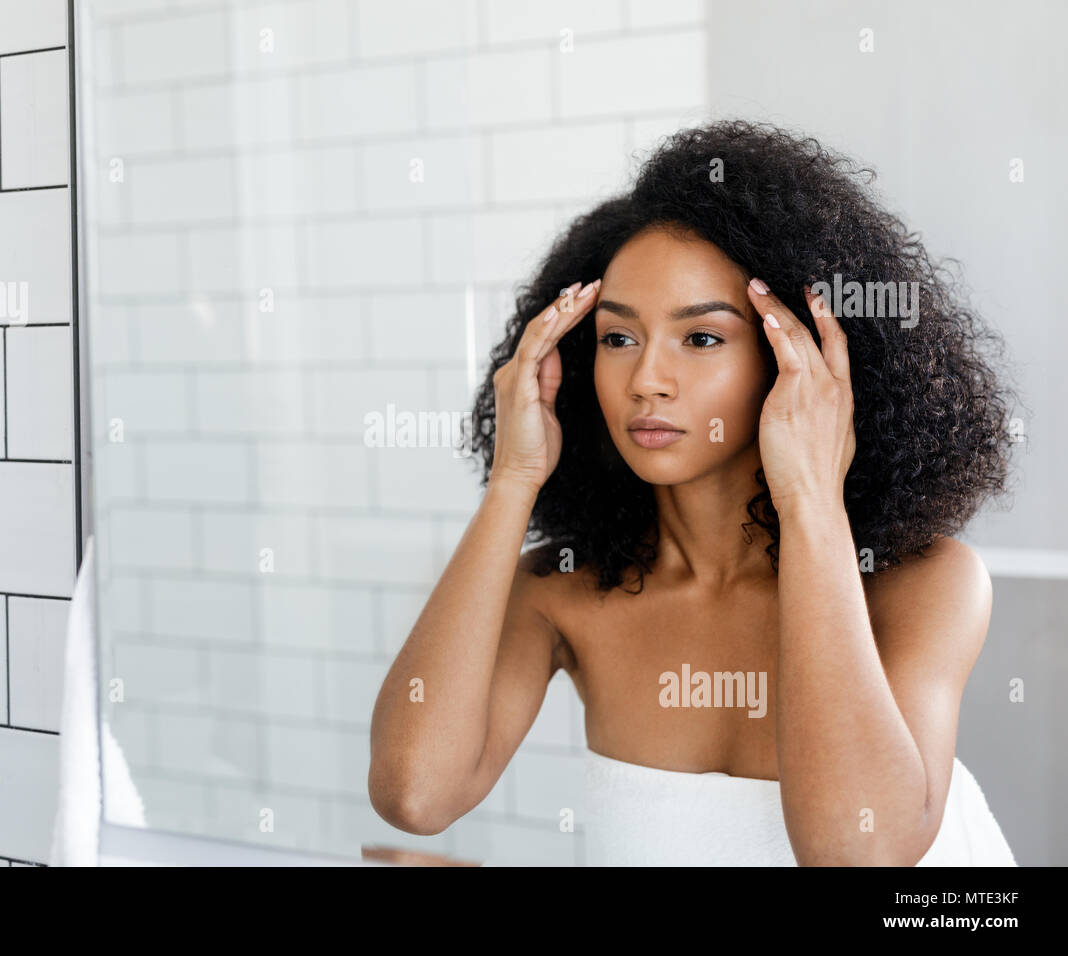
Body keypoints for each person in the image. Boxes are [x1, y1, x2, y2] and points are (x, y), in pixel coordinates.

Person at [368, 120, 1019, 866]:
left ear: (794, 356)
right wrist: (514, 480)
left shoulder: (921, 583)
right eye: (618, 338)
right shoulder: (565, 590)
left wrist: (811, 498)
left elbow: (857, 854)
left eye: (701, 338)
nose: (647, 379)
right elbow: (414, 795)